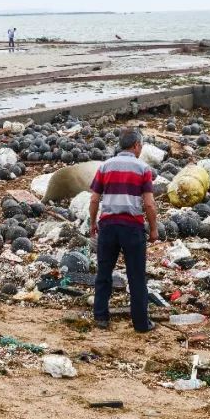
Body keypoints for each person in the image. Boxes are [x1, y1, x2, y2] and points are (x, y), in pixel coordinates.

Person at [88, 129, 158, 332]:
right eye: (141, 145)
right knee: (136, 276)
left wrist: (93, 223)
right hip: (132, 227)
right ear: (136, 145)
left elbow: (94, 199)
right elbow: (149, 204)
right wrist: (153, 229)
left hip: (108, 226)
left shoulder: (104, 167)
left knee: (104, 272)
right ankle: (141, 324)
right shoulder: (143, 169)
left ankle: (101, 317)